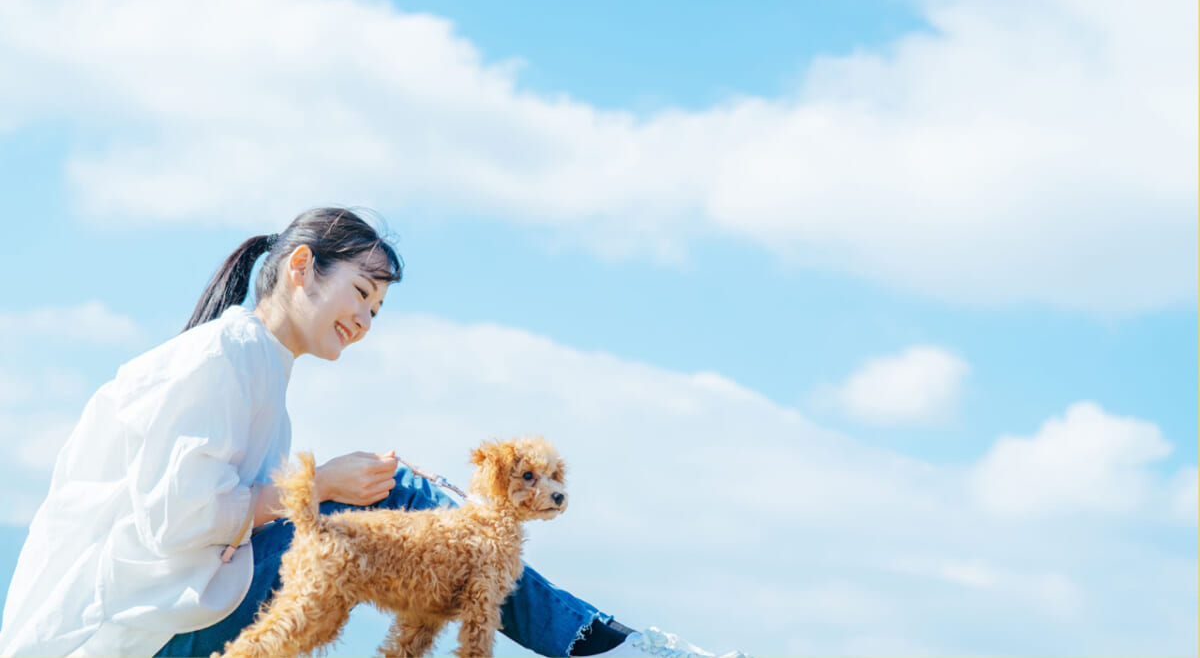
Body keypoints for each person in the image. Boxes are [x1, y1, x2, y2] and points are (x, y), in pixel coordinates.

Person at [0, 207, 738, 658]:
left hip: (157, 621)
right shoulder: (221, 358)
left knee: (408, 514)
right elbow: (178, 520)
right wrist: (320, 489)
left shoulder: (260, 372)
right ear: (300, 268)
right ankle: (605, 643)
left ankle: (599, 640)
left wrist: (333, 494)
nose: (364, 320)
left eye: (376, 311)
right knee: (416, 507)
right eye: (360, 292)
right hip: (121, 638)